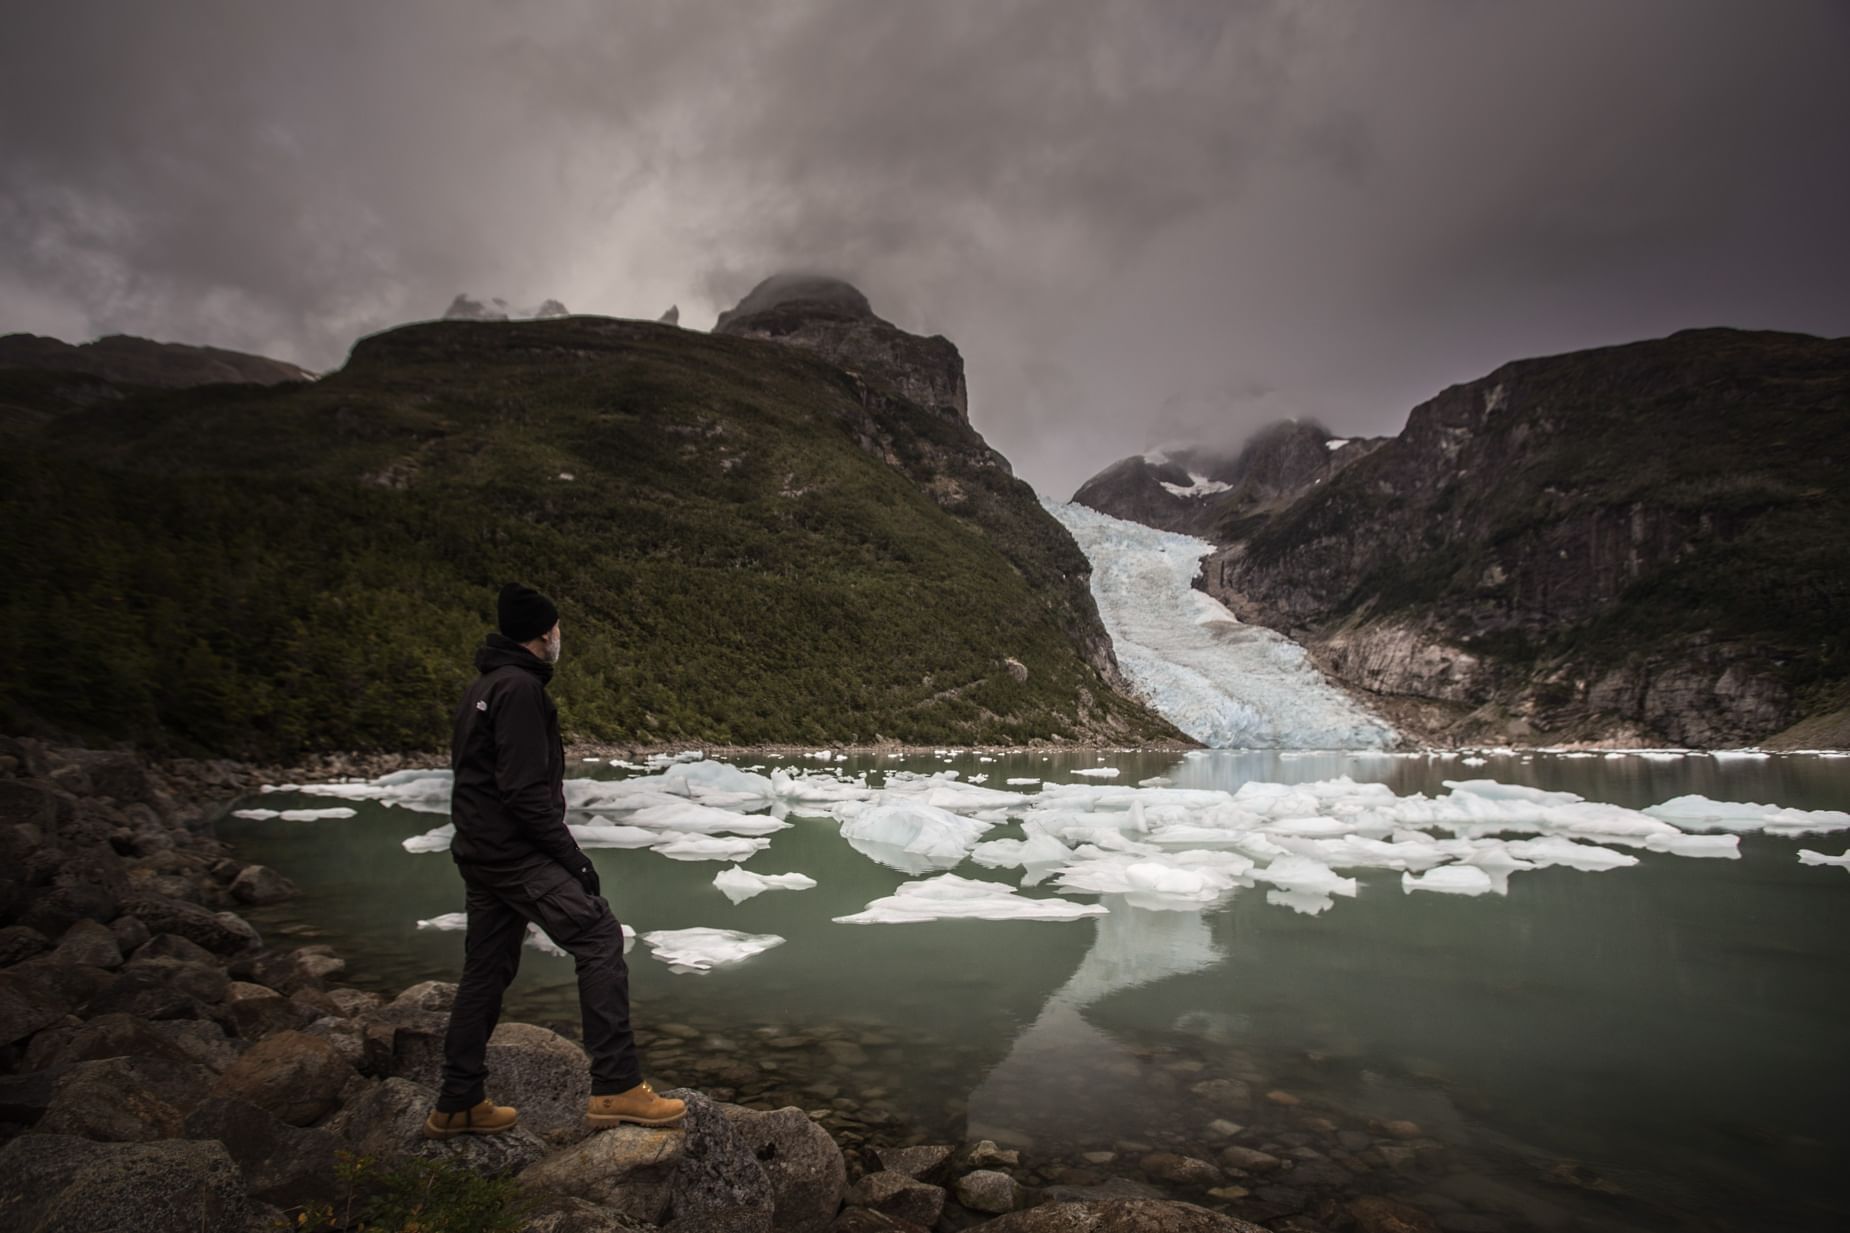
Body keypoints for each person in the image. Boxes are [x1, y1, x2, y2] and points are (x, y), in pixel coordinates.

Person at [423, 582, 686, 1137]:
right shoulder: (520, 690)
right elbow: (523, 793)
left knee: (486, 971)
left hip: (482, 852)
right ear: (544, 633)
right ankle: (616, 1086)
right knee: (598, 937)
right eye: (558, 628)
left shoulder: (486, 685)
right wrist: (573, 859)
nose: (560, 636)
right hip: (514, 853)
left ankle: (458, 1100)